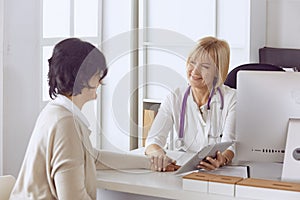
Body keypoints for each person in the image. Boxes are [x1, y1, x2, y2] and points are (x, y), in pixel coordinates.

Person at [10, 38, 177, 200]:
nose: (101, 80)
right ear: (83, 76)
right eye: (98, 74)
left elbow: (93, 157)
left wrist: (149, 163)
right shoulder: (66, 124)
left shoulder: (56, 112)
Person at [145, 36, 236, 171]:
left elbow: (231, 145)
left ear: (218, 72)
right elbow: (152, 141)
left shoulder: (232, 99)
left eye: (205, 66)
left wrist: (222, 159)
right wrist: (158, 155)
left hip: (217, 174)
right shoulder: (175, 97)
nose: (194, 71)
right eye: (192, 62)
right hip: (181, 170)